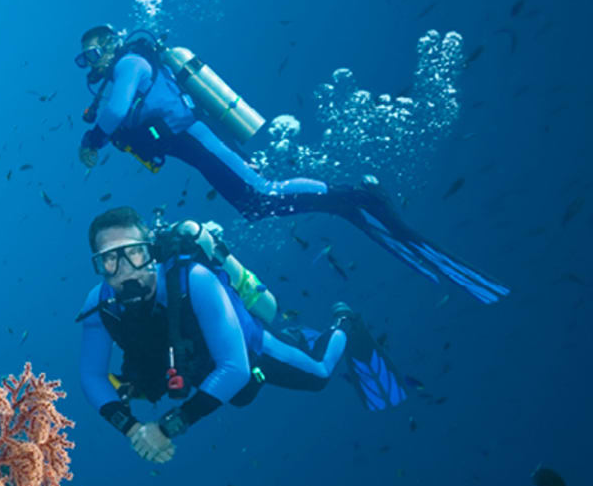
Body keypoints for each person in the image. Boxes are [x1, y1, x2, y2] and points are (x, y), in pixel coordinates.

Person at [75, 25, 509, 305]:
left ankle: (355, 194)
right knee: (255, 205)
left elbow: (113, 115)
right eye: (86, 60)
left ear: (111, 44)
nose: (92, 64)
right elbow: (123, 120)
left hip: (195, 137)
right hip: (191, 145)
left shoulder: (131, 63)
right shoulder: (122, 75)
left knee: (261, 192)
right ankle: (342, 200)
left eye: (93, 53)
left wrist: (93, 137)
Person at [76, 207, 404, 463]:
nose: (126, 269)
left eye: (134, 253)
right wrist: (132, 429)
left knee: (318, 374)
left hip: (246, 349)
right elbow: (91, 375)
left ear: (150, 253)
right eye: (109, 260)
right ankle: (299, 336)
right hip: (194, 363)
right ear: (98, 266)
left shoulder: (195, 280)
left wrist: (166, 428)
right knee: (231, 394)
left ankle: (345, 322)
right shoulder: (100, 303)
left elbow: (235, 367)